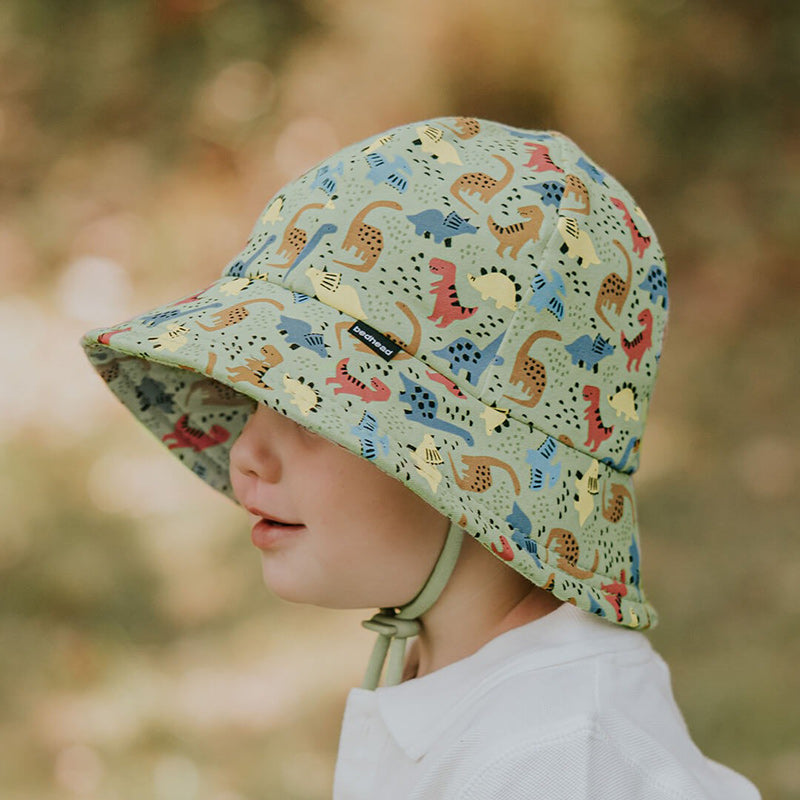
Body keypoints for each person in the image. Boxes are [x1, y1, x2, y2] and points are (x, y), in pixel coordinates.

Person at [81, 117, 760, 798]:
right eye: (256, 397)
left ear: (468, 470)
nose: (247, 454)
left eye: (311, 409)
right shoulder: (466, 674)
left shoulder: (551, 759)